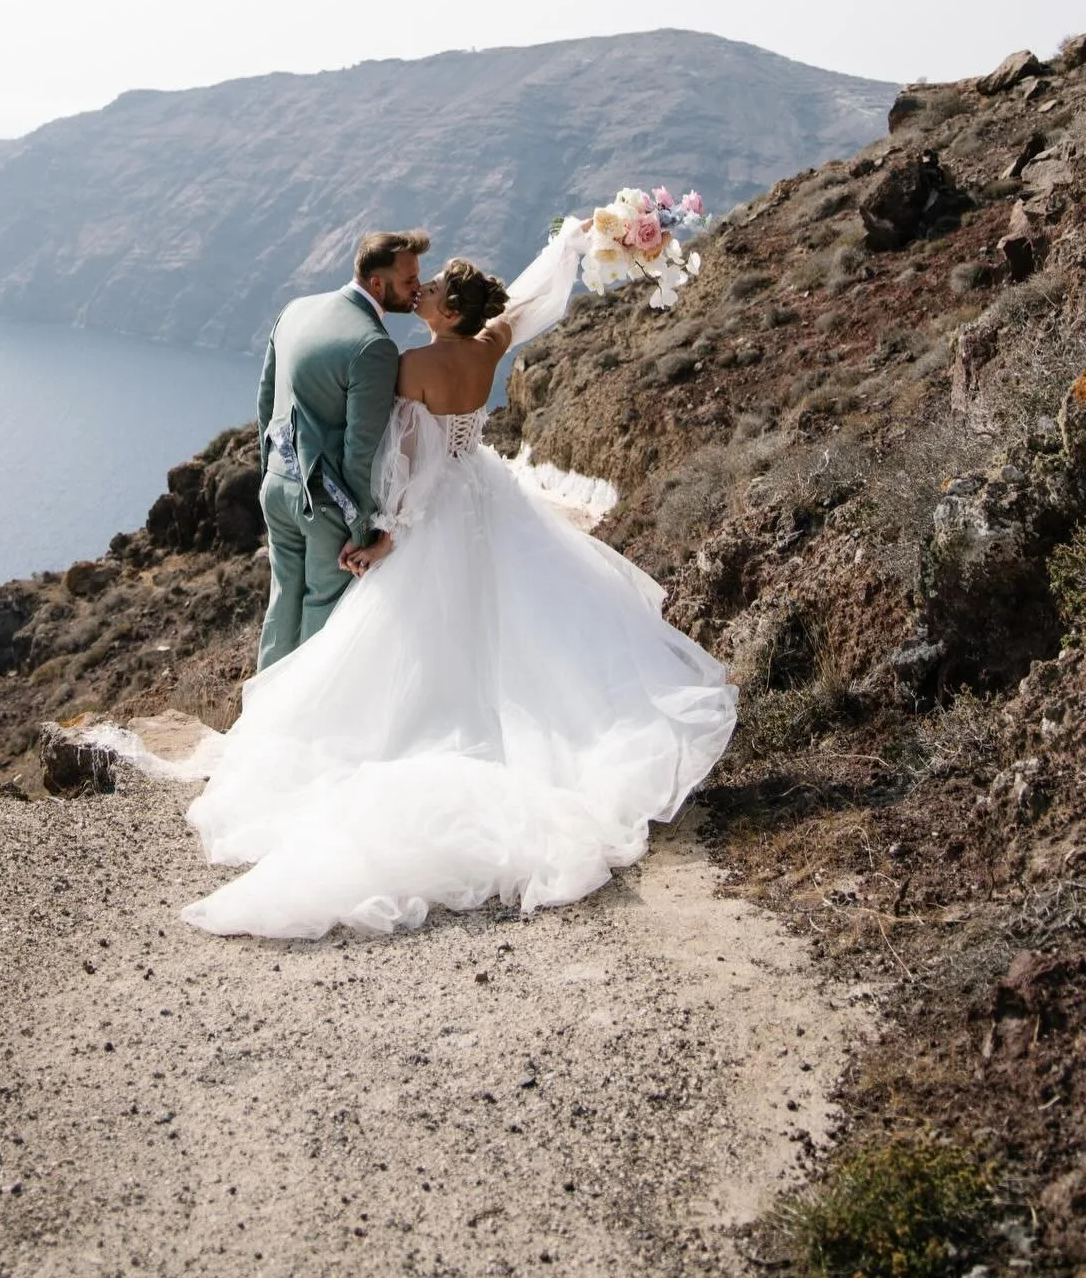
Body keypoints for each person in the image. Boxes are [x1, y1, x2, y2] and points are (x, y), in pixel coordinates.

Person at [110, 219, 738, 940]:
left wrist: (382, 535)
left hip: (436, 513)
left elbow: (401, 465)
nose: (422, 292)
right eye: (420, 282)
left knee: (409, 635)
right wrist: (566, 250)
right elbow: (523, 307)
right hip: (488, 500)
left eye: (432, 289)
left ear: (450, 311)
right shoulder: (489, 345)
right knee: (507, 624)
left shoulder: (414, 366)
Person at [254, 229, 429, 670]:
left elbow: (265, 401)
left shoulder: (295, 309)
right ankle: (306, 711)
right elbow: (360, 450)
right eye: (409, 280)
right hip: (326, 505)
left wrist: (269, 472)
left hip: (276, 486)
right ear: (378, 284)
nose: (418, 288)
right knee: (323, 610)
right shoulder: (374, 346)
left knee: (282, 599)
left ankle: (264, 706)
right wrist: (362, 527)